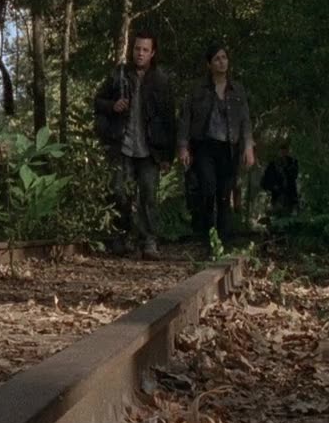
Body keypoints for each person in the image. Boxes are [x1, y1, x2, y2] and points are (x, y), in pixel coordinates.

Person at [93, 30, 177, 259]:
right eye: (137, 48)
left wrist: (168, 156)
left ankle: (149, 241)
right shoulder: (119, 74)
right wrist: (113, 106)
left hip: (150, 149)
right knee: (119, 192)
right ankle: (121, 237)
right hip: (122, 144)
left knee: (148, 195)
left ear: (152, 53)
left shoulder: (161, 80)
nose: (140, 53)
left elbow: (169, 119)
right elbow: (97, 101)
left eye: (145, 50)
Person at [177, 42, 255, 250]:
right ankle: (207, 236)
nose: (222, 62)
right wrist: (183, 146)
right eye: (217, 59)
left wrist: (248, 147)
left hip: (229, 147)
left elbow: (245, 119)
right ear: (209, 64)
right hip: (205, 146)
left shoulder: (237, 89)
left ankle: (224, 240)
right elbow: (186, 118)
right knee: (208, 190)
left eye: (224, 58)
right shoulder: (197, 89)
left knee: (224, 194)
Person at [261, 141, 299, 215]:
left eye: (285, 151)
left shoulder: (293, 162)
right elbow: (266, 178)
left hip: (290, 193)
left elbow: (294, 175)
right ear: (279, 152)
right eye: (282, 151)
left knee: (290, 212)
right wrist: (273, 186)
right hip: (277, 193)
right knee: (278, 211)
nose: (283, 153)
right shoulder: (273, 164)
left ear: (287, 151)